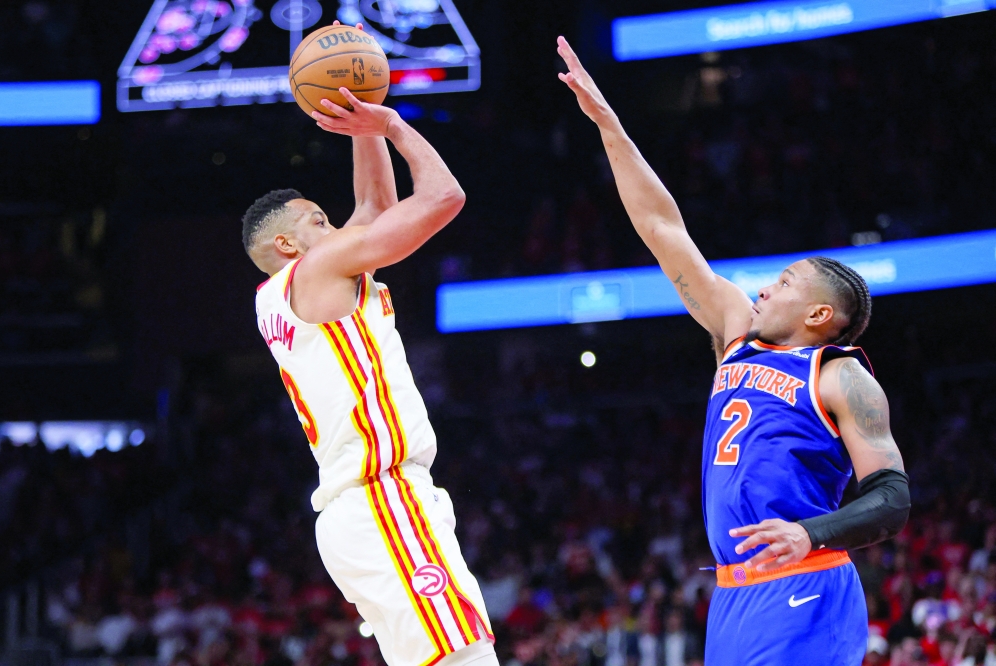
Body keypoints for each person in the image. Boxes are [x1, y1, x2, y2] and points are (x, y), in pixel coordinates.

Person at [556, 36, 910, 665]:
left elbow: (891, 498)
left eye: (785, 283)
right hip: (733, 591)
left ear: (819, 314)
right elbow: (663, 228)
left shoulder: (839, 376)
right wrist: (608, 124)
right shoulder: (734, 338)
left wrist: (809, 532)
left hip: (807, 578)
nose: (765, 288)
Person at [242, 23, 495, 666]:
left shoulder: (288, 291)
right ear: (287, 247)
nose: (340, 225)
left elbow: (376, 208)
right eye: (320, 221)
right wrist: (391, 126)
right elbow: (443, 197)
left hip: (361, 511)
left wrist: (362, 132)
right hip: (382, 499)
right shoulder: (319, 272)